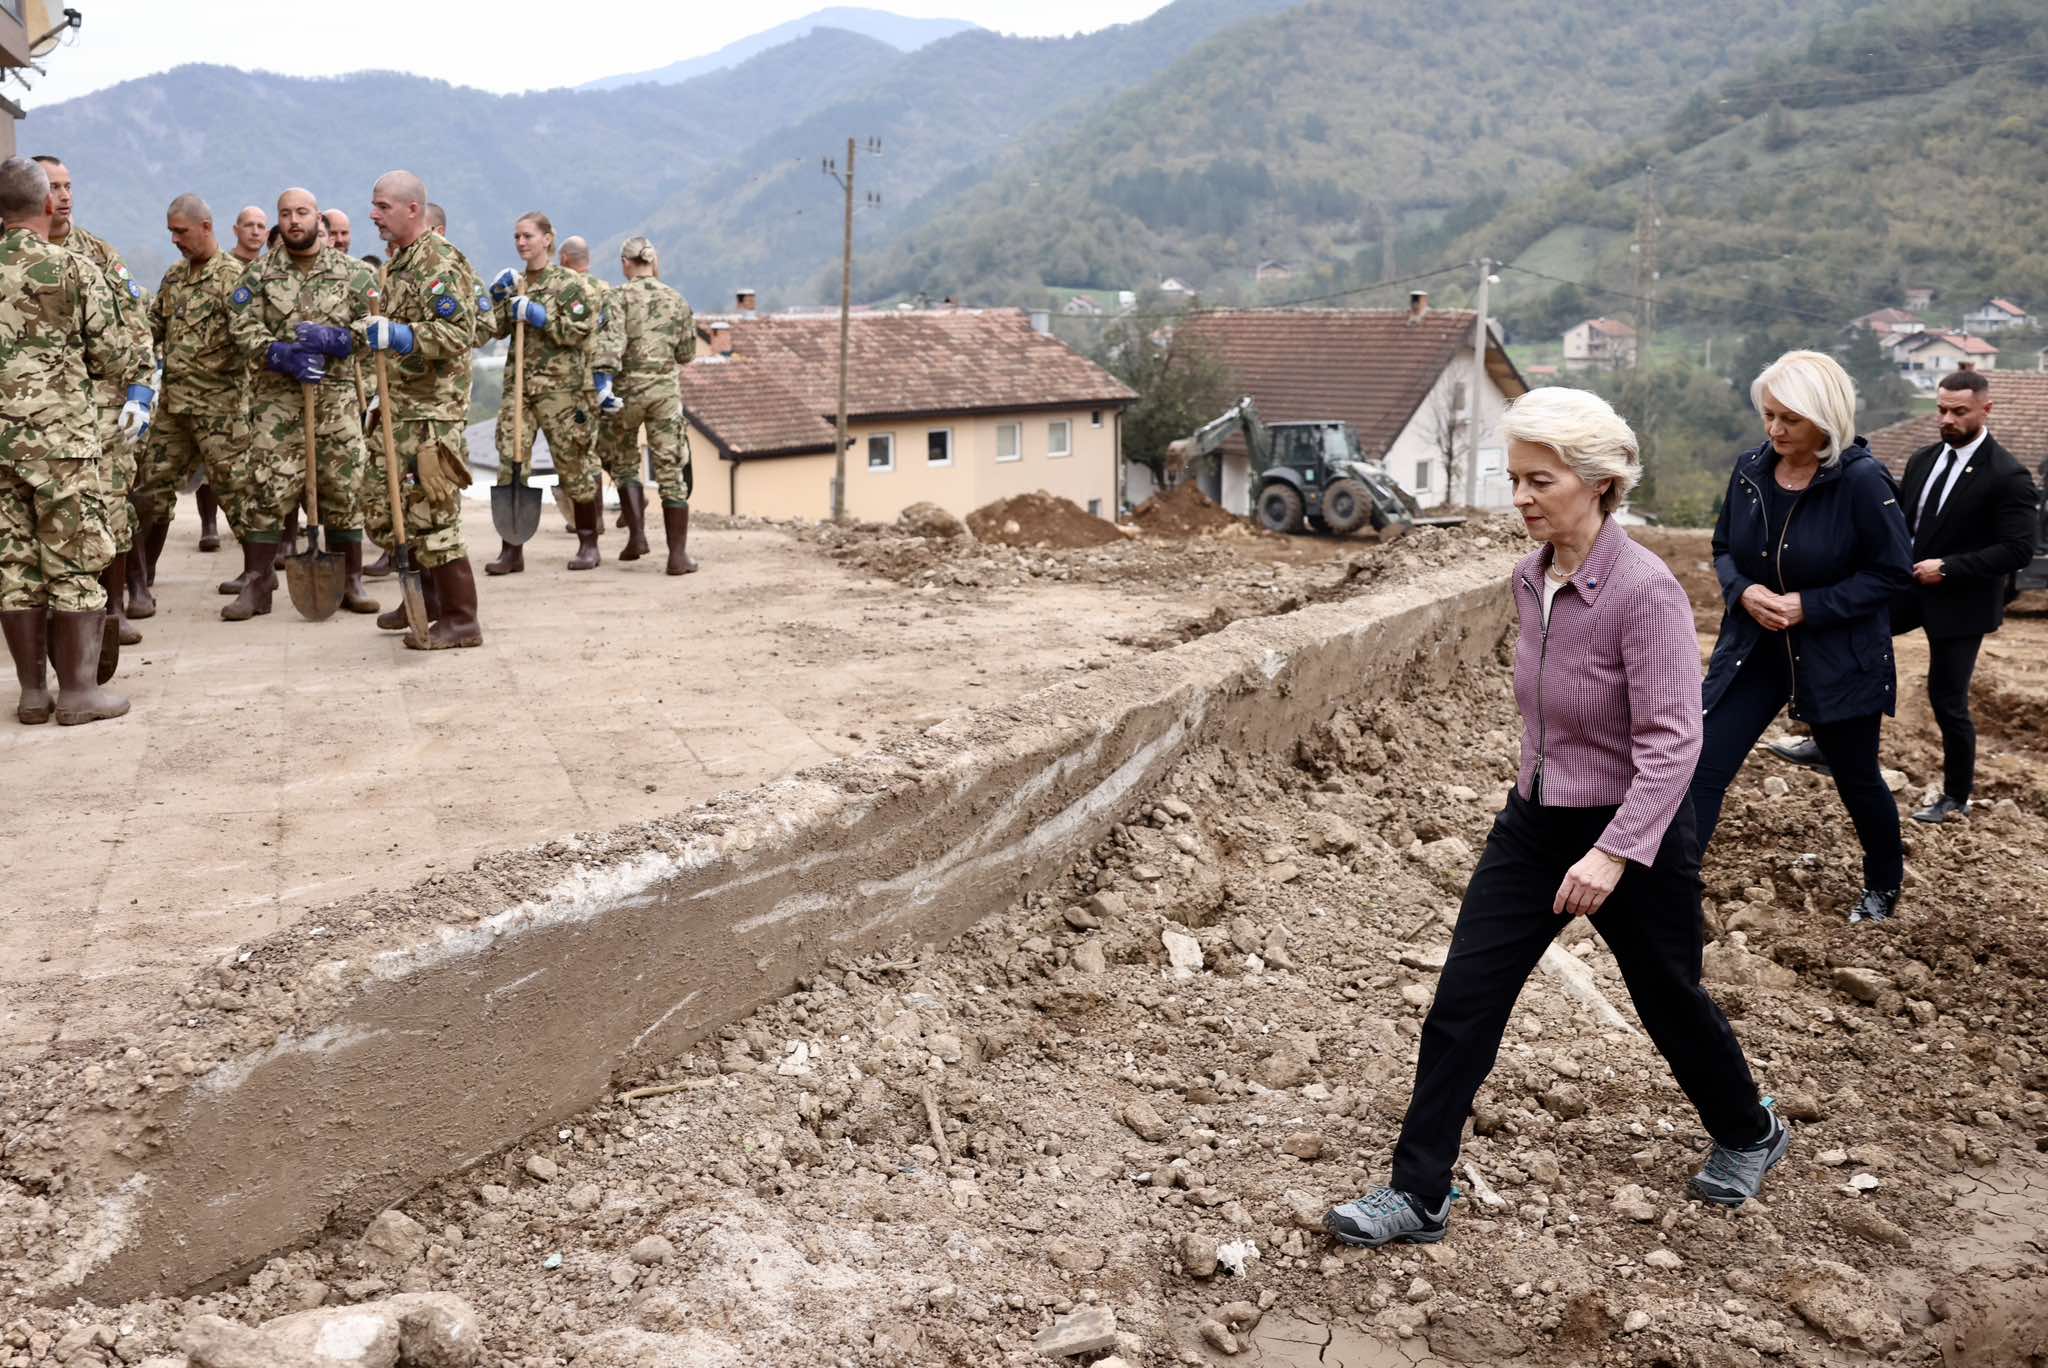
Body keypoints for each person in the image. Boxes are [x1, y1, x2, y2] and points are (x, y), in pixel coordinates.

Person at [1323, 387, 1783, 1249]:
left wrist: (1612, 855)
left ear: (1599, 481)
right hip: (1534, 825)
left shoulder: (1644, 592)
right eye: (1515, 479)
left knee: (1670, 1000)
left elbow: (1675, 745)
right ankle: (1419, 1193)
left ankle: (1751, 1130)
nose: (1523, 497)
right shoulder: (1528, 579)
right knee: (1463, 1002)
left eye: (1541, 480)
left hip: (1634, 835)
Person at [1688, 350, 1913, 924]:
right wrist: (1743, 591)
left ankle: (1884, 883)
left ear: (1826, 418)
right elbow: (1722, 549)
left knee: (1856, 776)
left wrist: (1809, 606)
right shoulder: (1750, 472)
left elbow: (1891, 574)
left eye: (1789, 418)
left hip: (1836, 655)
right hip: (1754, 650)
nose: (1774, 429)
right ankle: (1672, 881)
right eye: (1768, 414)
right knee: (1704, 764)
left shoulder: (1863, 482)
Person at [1776, 370, 2038, 824]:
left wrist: (1949, 568)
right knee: (1844, 642)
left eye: (1959, 411)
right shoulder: (1923, 458)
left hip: (1961, 603)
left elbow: (2017, 549)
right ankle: (1828, 741)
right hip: (1904, 586)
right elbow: (1899, 517)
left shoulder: (2008, 475)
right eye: (1942, 410)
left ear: (1985, 410)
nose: (1948, 419)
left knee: (1946, 698)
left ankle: (1956, 797)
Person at [0, 155, 138, 725]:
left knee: (14, 562)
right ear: (48, 205)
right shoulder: (72, 268)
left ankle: (33, 693)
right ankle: (79, 693)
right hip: (61, 442)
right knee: (74, 559)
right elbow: (116, 355)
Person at [228, 187, 381, 618]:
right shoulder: (257, 277)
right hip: (278, 402)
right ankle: (257, 584)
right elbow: (241, 329)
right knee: (265, 488)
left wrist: (338, 340)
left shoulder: (354, 275)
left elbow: (372, 327)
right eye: (286, 214)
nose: (294, 221)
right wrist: (279, 354)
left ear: (319, 220)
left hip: (335, 399)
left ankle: (350, 580)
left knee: (344, 485)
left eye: (302, 213)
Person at [33, 155, 156, 657]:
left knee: (110, 511)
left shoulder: (97, 254)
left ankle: (112, 611)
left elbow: (135, 327)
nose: (64, 196)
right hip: (32, 418)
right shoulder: (13, 253)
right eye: (53, 187)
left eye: (68, 186)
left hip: (101, 410)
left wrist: (140, 391)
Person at [358, 169, 482, 649]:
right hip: (401, 407)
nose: (374, 214)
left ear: (413, 209)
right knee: (399, 511)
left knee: (434, 513)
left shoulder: (438, 262)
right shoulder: (402, 263)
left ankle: (462, 619)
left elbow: (458, 332)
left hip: (432, 413)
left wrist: (403, 335)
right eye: (374, 205)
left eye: (383, 206)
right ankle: (426, 601)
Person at [131, 194, 256, 614]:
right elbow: (151, 330)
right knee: (149, 488)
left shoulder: (234, 280)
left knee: (238, 493)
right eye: (170, 233)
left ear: (206, 227)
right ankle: (140, 577)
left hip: (220, 409)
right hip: (174, 408)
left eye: (181, 232)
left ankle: (258, 581)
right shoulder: (173, 279)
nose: (175, 240)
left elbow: (250, 340)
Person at [482, 211, 604, 576]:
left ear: (547, 239)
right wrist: (497, 299)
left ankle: (588, 542)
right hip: (519, 389)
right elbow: (497, 329)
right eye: (517, 237)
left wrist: (540, 316)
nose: (521, 243)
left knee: (572, 463)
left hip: (560, 392)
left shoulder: (568, 285)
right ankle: (511, 549)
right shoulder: (517, 284)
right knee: (511, 462)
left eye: (528, 236)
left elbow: (579, 331)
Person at [598, 236, 700, 573]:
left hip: (627, 391)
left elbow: (610, 346)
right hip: (663, 392)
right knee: (670, 469)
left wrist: (604, 384)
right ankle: (677, 556)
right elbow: (686, 354)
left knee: (625, 461)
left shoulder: (617, 297)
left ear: (626, 263)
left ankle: (638, 536)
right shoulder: (677, 300)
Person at [559, 234, 620, 545]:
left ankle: (590, 520)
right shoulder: (605, 290)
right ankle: (597, 517)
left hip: (571, 379)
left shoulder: (567, 289)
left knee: (579, 452)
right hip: (600, 377)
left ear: (565, 260)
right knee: (597, 448)